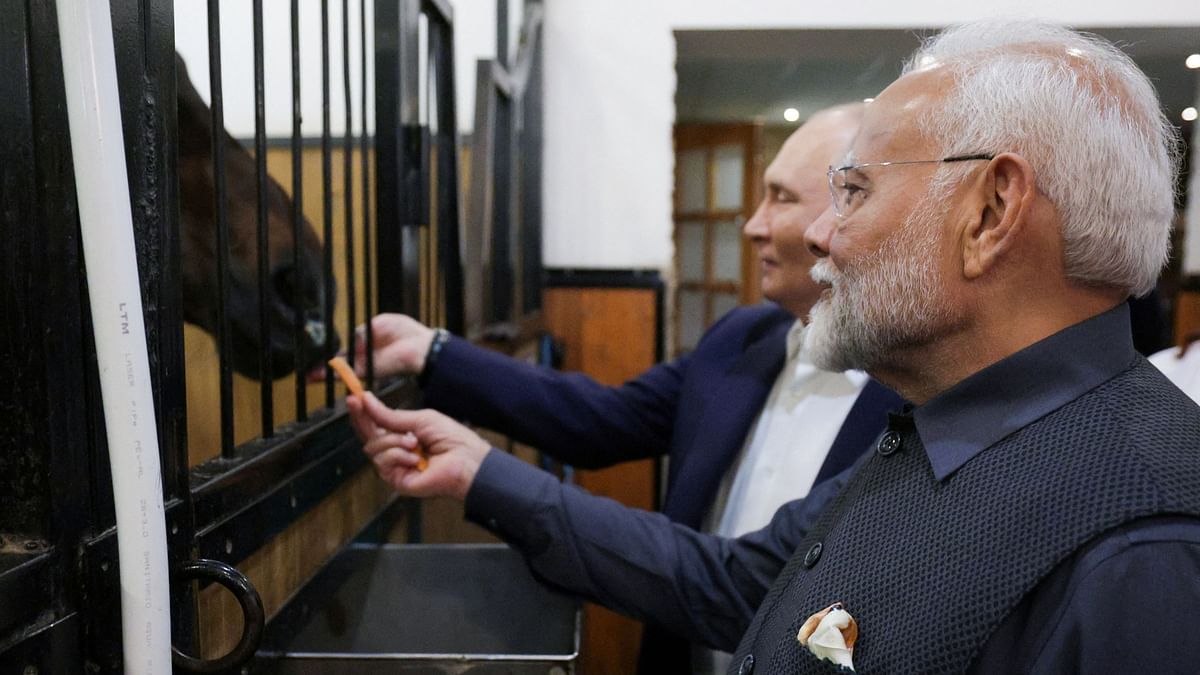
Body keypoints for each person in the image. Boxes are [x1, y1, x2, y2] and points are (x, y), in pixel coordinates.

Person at [351, 19, 1200, 673]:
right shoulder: (937, 426)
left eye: (854, 191)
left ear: (988, 213)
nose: (820, 235)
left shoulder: (1146, 551)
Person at [344, 103, 901, 673]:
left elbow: (743, 587)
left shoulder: (917, 400)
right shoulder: (741, 338)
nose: (752, 223)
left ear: (846, 210)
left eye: (780, 197)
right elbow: (599, 420)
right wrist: (432, 353)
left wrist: (479, 472)